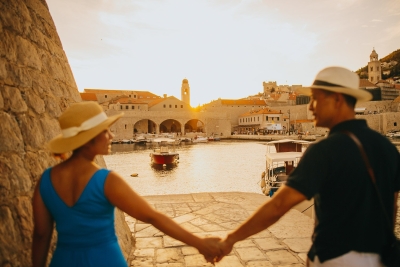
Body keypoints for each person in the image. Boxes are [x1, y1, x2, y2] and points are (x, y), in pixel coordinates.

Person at [215, 66, 400, 266]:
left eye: (316, 98)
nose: (310, 107)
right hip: (381, 258)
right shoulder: (387, 148)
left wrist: (231, 239)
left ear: (337, 99)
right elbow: (393, 203)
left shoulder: (324, 150)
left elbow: (278, 205)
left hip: (335, 258)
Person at [32, 102, 221, 267]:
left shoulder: (46, 180)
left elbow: (41, 235)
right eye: (105, 131)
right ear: (89, 139)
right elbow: (152, 217)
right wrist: (200, 243)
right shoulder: (106, 181)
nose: (111, 135)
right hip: (105, 260)